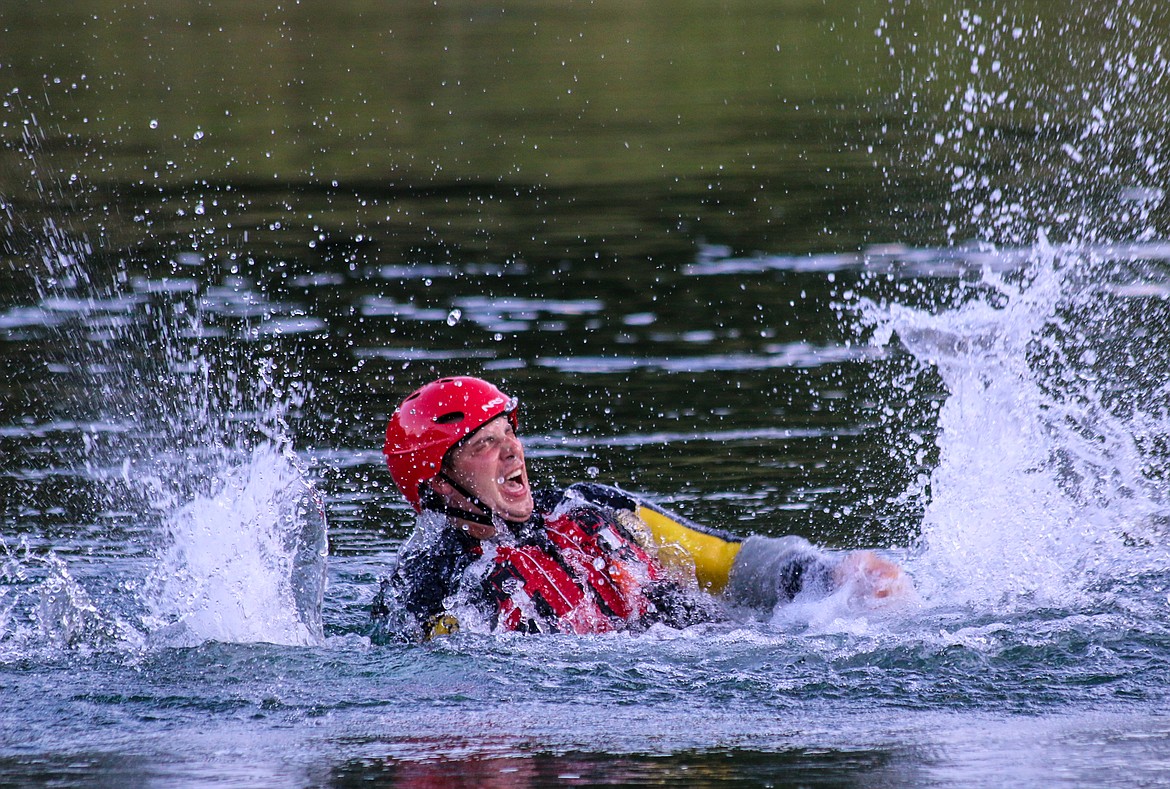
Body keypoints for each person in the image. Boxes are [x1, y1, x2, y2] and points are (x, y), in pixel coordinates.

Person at [371, 376, 911, 640]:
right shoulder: (426, 588)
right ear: (439, 485)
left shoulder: (592, 507)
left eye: (509, 432)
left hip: (722, 658)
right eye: (483, 444)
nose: (512, 450)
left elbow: (721, 559)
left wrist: (833, 574)